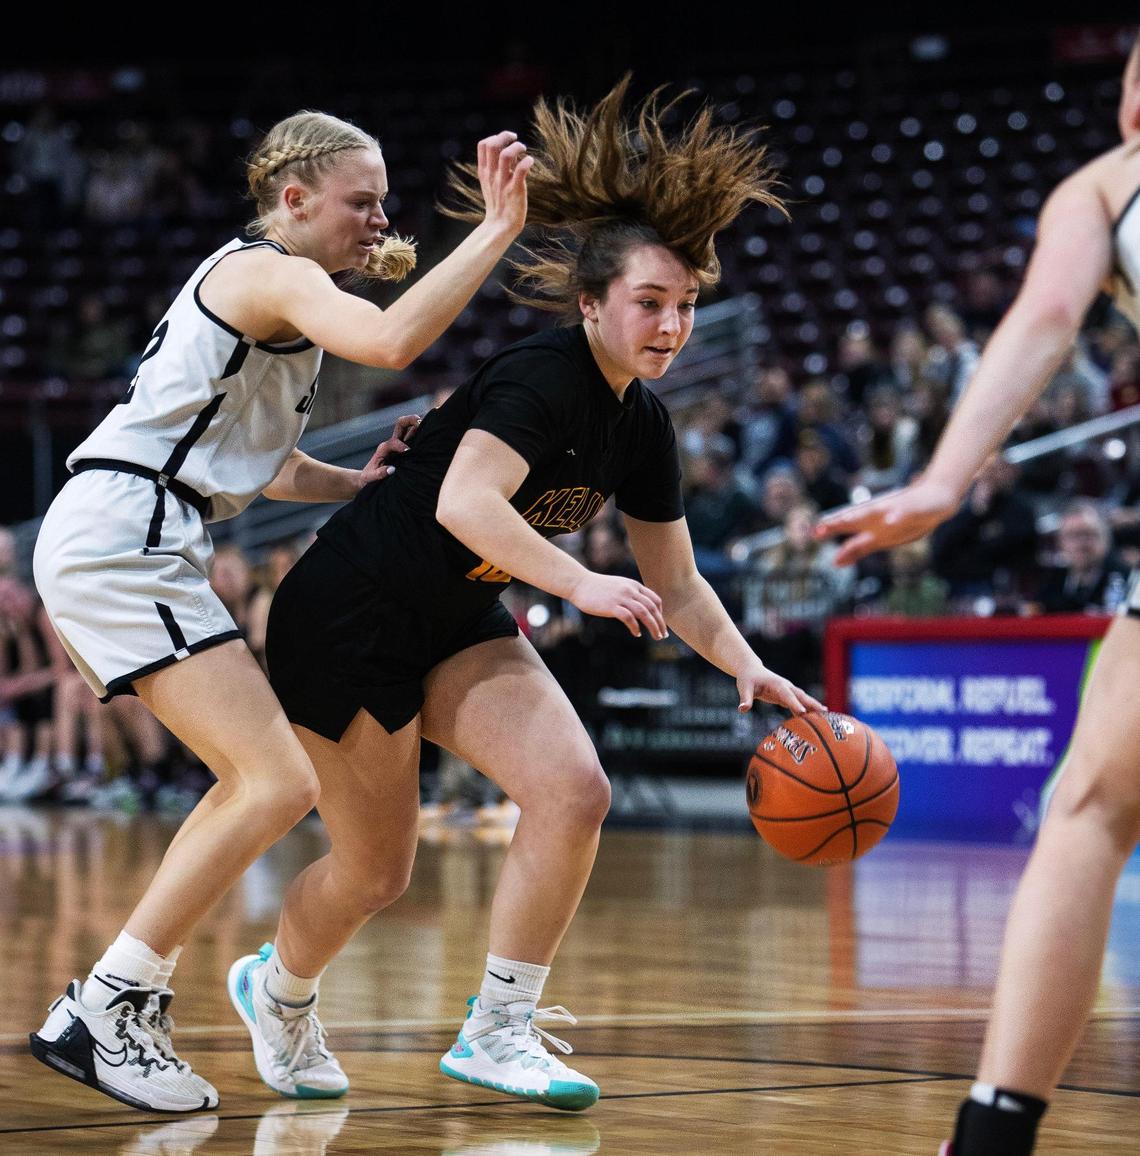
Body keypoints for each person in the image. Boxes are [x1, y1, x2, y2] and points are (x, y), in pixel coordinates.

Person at [227, 77, 822, 1113]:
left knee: (574, 787)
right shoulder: (542, 375)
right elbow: (467, 501)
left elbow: (676, 580)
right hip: (351, 610)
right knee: (376, 875)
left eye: (685, 307)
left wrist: (749, 664)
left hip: (454, 614)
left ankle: (500, 1029)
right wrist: (584, 580)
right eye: (650, 302)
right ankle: (275, 988)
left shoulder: (644, 427)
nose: (672, 325)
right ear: (591, 303)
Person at [29, 109, 532, 1113]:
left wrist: (357, 484)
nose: (380, 218)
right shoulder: (269, 272)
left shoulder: (278, 304)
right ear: (292, 200)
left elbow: (258, 466)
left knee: (266, 780)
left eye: (383, 200)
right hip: (123, 534)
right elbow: (391, 340)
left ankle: (114, 999)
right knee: (273, 780)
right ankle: (109, 1005)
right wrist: (496, 229)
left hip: (139, 532)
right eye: (362, 200)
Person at [815, 34, 1140, 1156]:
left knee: (1092, 810)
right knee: (1091, 804)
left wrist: (946, 481)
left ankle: (994, 1136)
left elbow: (1047, 317)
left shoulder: (1107, 184)